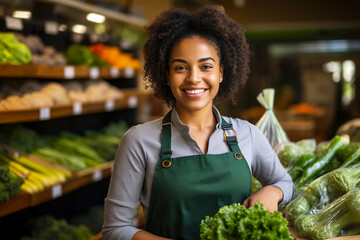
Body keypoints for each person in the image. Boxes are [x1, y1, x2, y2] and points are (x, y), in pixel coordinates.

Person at [102, 5, 294, 240]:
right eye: (181, 67)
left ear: (221, 73)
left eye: (206, 67)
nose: (194, 78)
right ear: (166, 75)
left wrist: (273, 191)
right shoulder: (138, 140)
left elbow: (284, 181)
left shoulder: (247, 134)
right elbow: (115, 230)